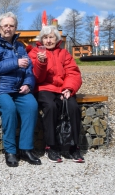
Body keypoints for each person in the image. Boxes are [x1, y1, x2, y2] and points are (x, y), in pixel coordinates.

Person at [0, 12, 41, 167]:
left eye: (11, 26)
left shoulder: (20, 46)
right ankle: (10, 151)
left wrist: (28, 84)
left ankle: (26, 149)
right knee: (9, 108)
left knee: (31, 106)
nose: (8, 28)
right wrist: (15, 63)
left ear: (15, 28)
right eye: (5, 25)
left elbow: (29, 69)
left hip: (18, 88)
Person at [28, 25, 84, 163]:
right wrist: (41, 63)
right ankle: (51, 146)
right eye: (45, 38)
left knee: (73, 107)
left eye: (51, 37)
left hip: (62, 89)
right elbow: (36, 78)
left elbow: (73, 72)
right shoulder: (34, 53)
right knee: (50, 107)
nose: (48, 41)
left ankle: (73, 146)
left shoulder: (64, 53)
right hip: (43, 88)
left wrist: (69, 88)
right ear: (41, 40)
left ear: (56, 39)